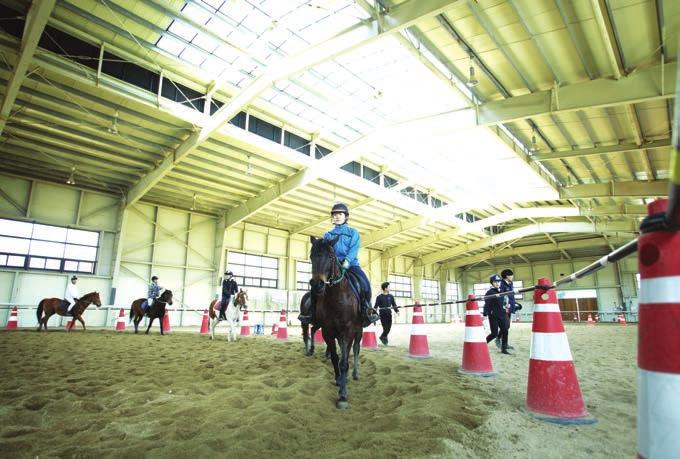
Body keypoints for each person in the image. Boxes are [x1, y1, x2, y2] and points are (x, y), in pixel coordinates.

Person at [324, 203, 379, 327]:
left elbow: (354, 248)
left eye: (340, 214)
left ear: (346, 217)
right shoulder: (328, 235)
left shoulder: (353, 232)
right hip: (333, 266)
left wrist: (347, 260)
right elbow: (325, 250)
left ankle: (366, 310)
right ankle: (311, 312)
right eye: (335, 214)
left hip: (351, 264)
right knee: (318, 282)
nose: (337, 217)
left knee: (365, 283)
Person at [483, 274, 511, 355]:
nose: (497, 283)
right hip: (493, 316)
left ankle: (504, 348)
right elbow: (487, 304)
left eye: (498, 282)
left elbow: (505, 301)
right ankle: (483, 344)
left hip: (502, 314)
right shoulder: (489, 292)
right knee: (494, 333)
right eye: (495, 282)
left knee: (505, 331)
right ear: (492, 283)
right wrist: (485, 313)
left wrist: (507, 305)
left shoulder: (502, 291)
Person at [498, 269, 522, 350]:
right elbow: (501, 296)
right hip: (504, 308)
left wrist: (515, 303)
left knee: (507, 326)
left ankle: (501, 340)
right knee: (505, 326)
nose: (512, 277)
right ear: (507, 276)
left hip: (510, 306)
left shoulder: (510, 283)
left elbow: (511, 295)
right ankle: (502, 342)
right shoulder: (500, 284)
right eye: (511, 275)